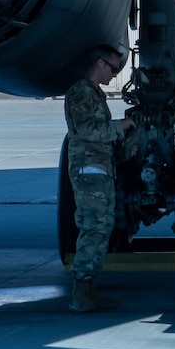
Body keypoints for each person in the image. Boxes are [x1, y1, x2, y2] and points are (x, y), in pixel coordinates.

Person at [64, 42, 128, 313]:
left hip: (98, 169)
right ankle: (81, 292)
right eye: (113, 68)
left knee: (101, 227)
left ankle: (87, 290)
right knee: (94, 227)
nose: (114, 74)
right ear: (99, 63)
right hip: (89, 171)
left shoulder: (93, 93)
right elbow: (87, 129)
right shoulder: (80, 93)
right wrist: (121, 127)